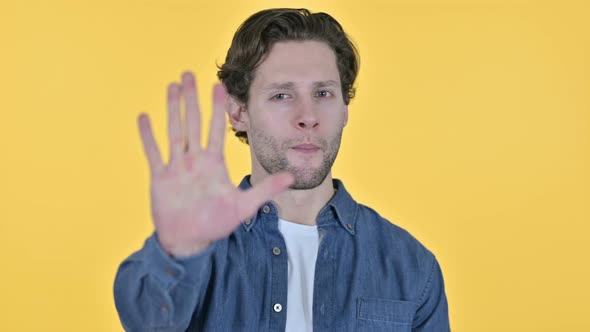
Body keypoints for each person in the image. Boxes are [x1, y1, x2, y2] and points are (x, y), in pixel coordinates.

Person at [114, 8, 450, 332]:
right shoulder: (199, 246)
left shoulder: (412, 265)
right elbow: (148, 321)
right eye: (281, 95)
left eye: (323, 93)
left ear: (345, 108)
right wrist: (178, 253)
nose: (308, 115)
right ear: (238, 112)